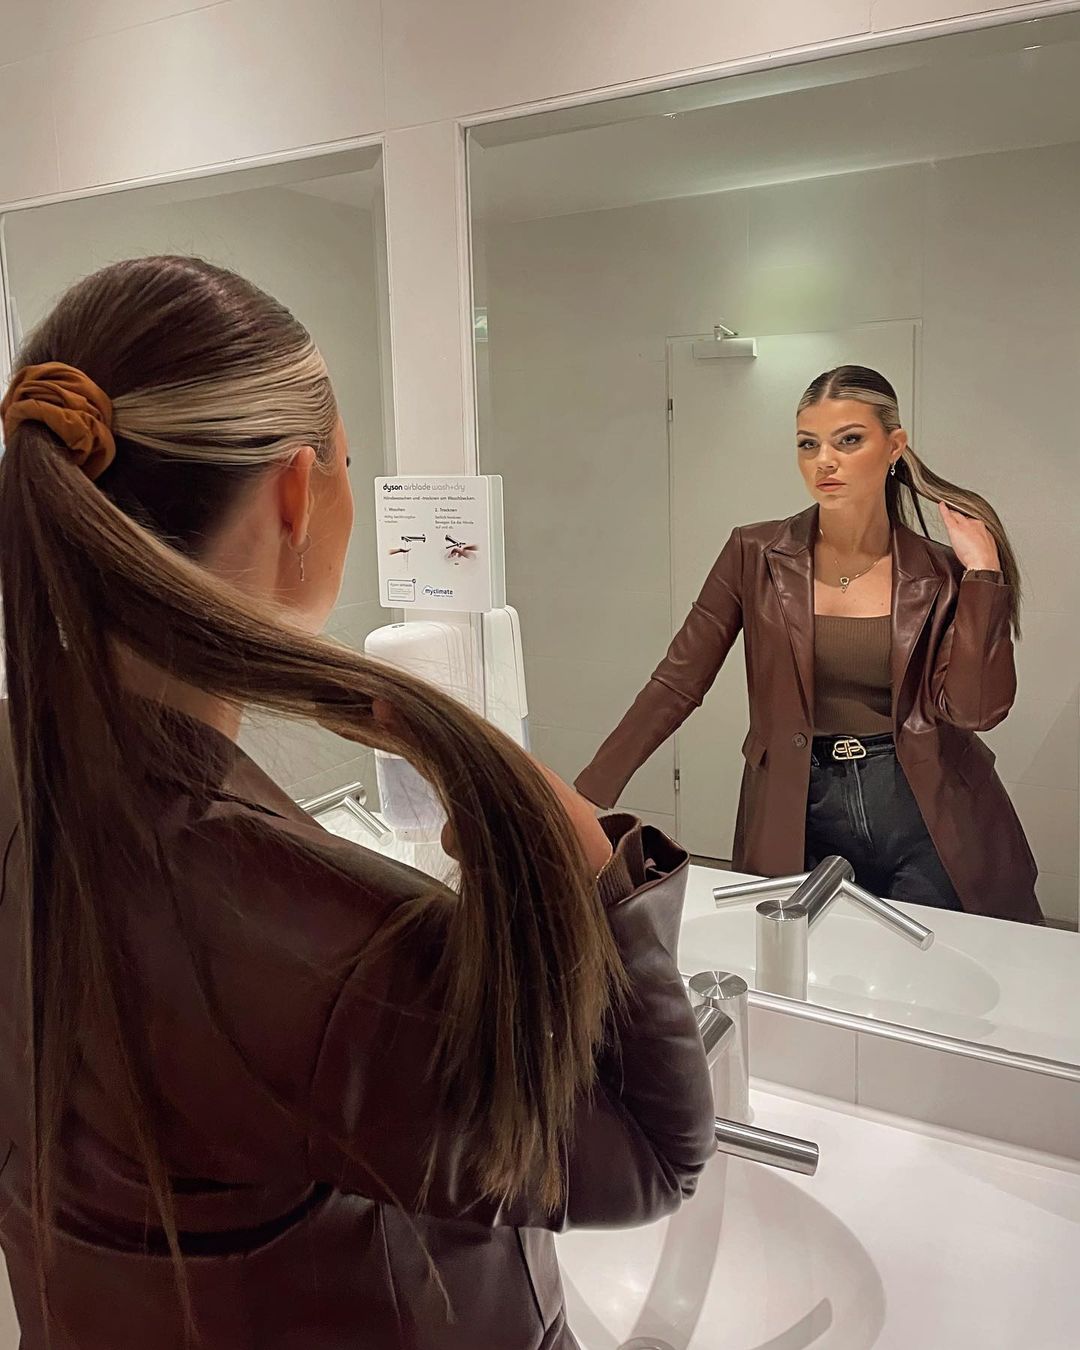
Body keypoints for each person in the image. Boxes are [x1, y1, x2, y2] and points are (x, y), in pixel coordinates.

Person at [0, 256, 716, 1349]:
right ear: (297, 494)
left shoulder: (29, 783)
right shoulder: (317, 947)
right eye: (347, 461)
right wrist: (577, 845)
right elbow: (654, 1152)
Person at [576, 366, 1041, 925]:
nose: (825, 461)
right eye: (808, 444)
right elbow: (678, 681)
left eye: (849, 440)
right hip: (800, 806)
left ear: (894, 446)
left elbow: (975, 711)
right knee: (803, 962)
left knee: (927, 967)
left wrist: (984, 575)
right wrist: (588, 793)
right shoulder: (754, 553)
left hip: (925, 809)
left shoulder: (940, 572)